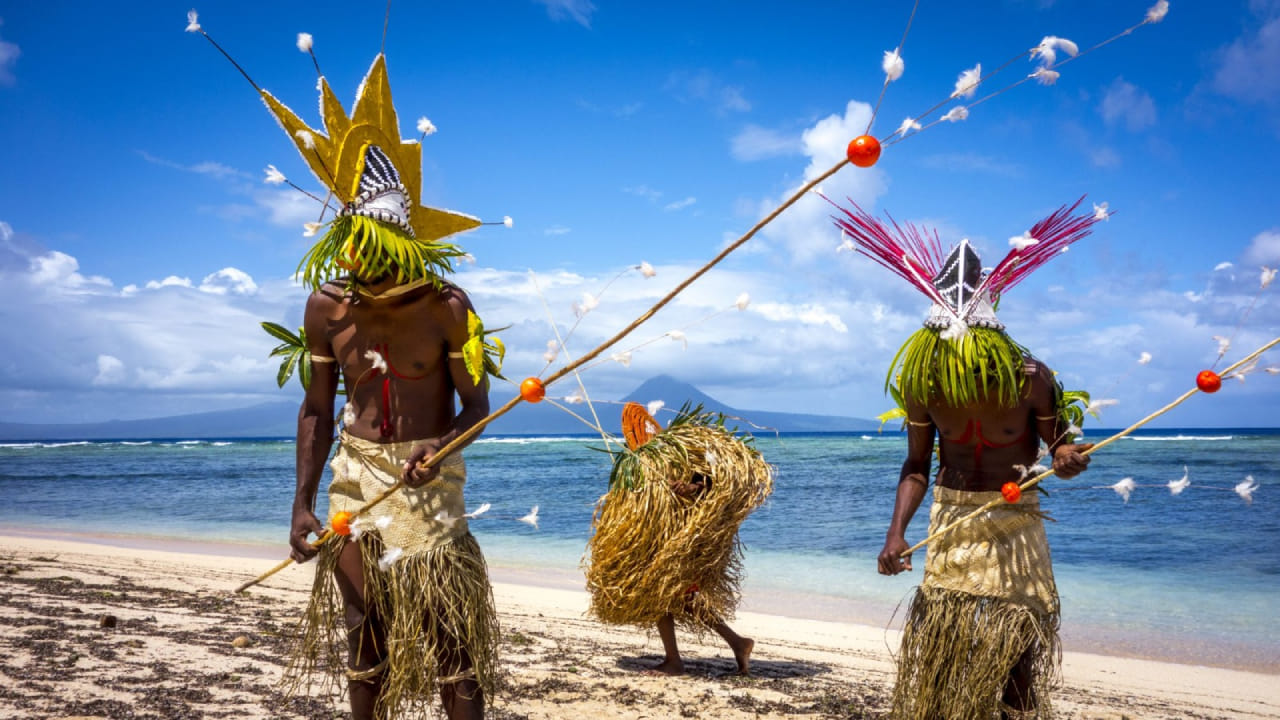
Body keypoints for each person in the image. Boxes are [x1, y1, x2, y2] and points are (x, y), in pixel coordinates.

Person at [189, 33, 505, 718]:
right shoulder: (326, 307)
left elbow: (478, 404)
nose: (372, 274)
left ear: (404, 246)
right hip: (354, 476)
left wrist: (440, 444)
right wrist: (301, 502)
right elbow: (314, 408)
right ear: (345, 245)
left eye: (384, 260)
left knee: (453, 645)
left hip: (430, 486)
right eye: (359, 259)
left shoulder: (448, 308)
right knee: (365, 640)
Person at [830, 199, 1101, 720]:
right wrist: (895, 535)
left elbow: (1059, 446)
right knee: (943, 634)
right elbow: (916, 466)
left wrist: (1067, 457)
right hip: (952, 511)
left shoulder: (1029, 378)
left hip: (1015, 515)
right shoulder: (924, 382)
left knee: (1017, 636)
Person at [585, 402, 770, 676]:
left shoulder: (685, 454)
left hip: (682, 542)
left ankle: (683, 659)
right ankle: (734, 644)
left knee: (670, 594)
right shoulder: (654, 460)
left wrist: (690, 487)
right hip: (670, 540)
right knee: (676, 597)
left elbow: (711, 481)